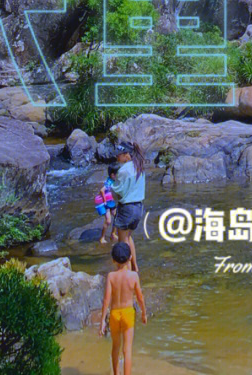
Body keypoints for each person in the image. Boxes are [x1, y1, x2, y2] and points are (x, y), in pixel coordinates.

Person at [100, 240, 146, 375]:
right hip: (127, 314)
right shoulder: (133, 276)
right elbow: (140, 297)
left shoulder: (111, 276)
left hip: (114, 314)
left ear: (113, 260)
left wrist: (103, 320)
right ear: (130, 258)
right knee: (127, 350)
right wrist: (144, 313)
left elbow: (106, 300)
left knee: (115, 347)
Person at [111, 141, 147, 271]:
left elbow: (117, 190)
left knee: (122, 243)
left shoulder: (123, 170)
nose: (117, 157)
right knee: (128, 237)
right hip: (139, 208)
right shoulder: (139, 166)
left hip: (127, 208)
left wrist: (110, 185)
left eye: (118, 155)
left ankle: (125, 273)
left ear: (126, 154)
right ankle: (134, 267)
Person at [94, 164, 119, 242]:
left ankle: (113, 233)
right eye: (117, 174)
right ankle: (102, 237)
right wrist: (104, 201)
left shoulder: (113, 180)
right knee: (108, 220)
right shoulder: (108, 182)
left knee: (117, 217)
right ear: (112, 175)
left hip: (111, 201)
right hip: (106, 203)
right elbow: (102, 190)